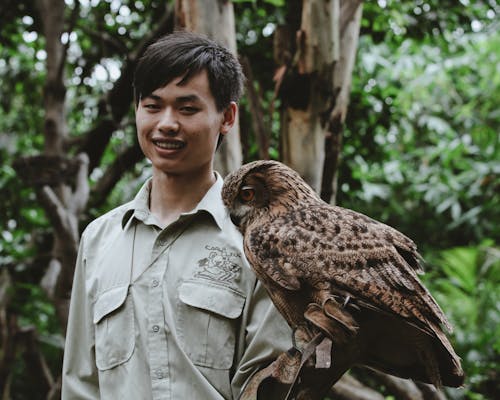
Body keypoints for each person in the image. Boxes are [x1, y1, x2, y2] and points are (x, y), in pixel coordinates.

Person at [61, 31, 291, 399]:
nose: (166, 123)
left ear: (227, 117)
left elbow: (269, 387)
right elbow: (80, 384)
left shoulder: (258, 244)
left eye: (187, 109)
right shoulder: (99, 240)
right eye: (152, 106)